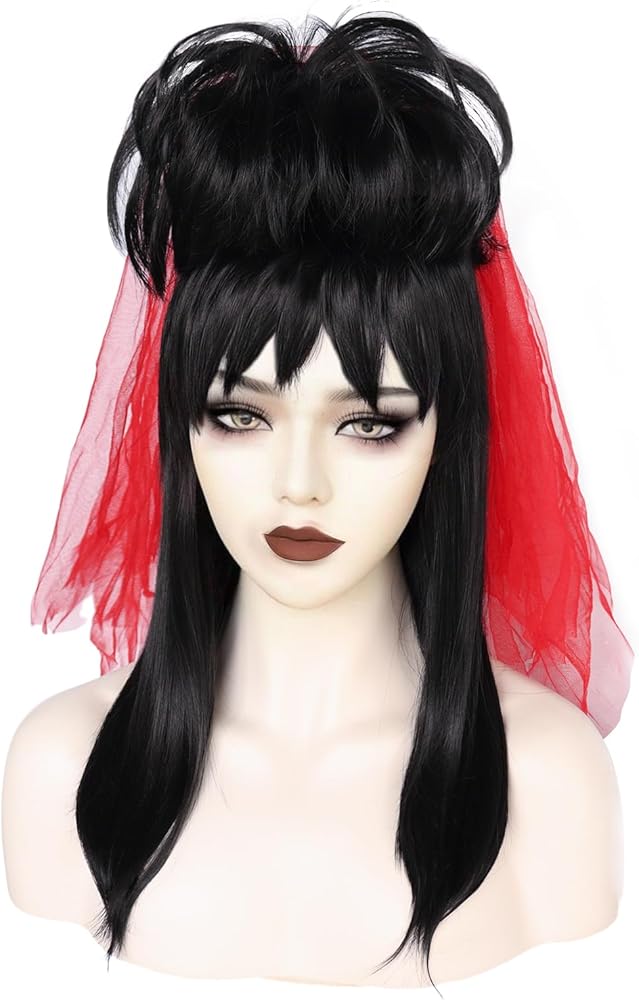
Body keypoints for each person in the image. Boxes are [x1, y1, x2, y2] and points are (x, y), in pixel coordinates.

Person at [2, 10, 632, 992]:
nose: (300, 482)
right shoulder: (61, 768)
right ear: (177, 426)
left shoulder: (546, 784)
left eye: (369, 424)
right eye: (239, 416)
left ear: (447, 433)